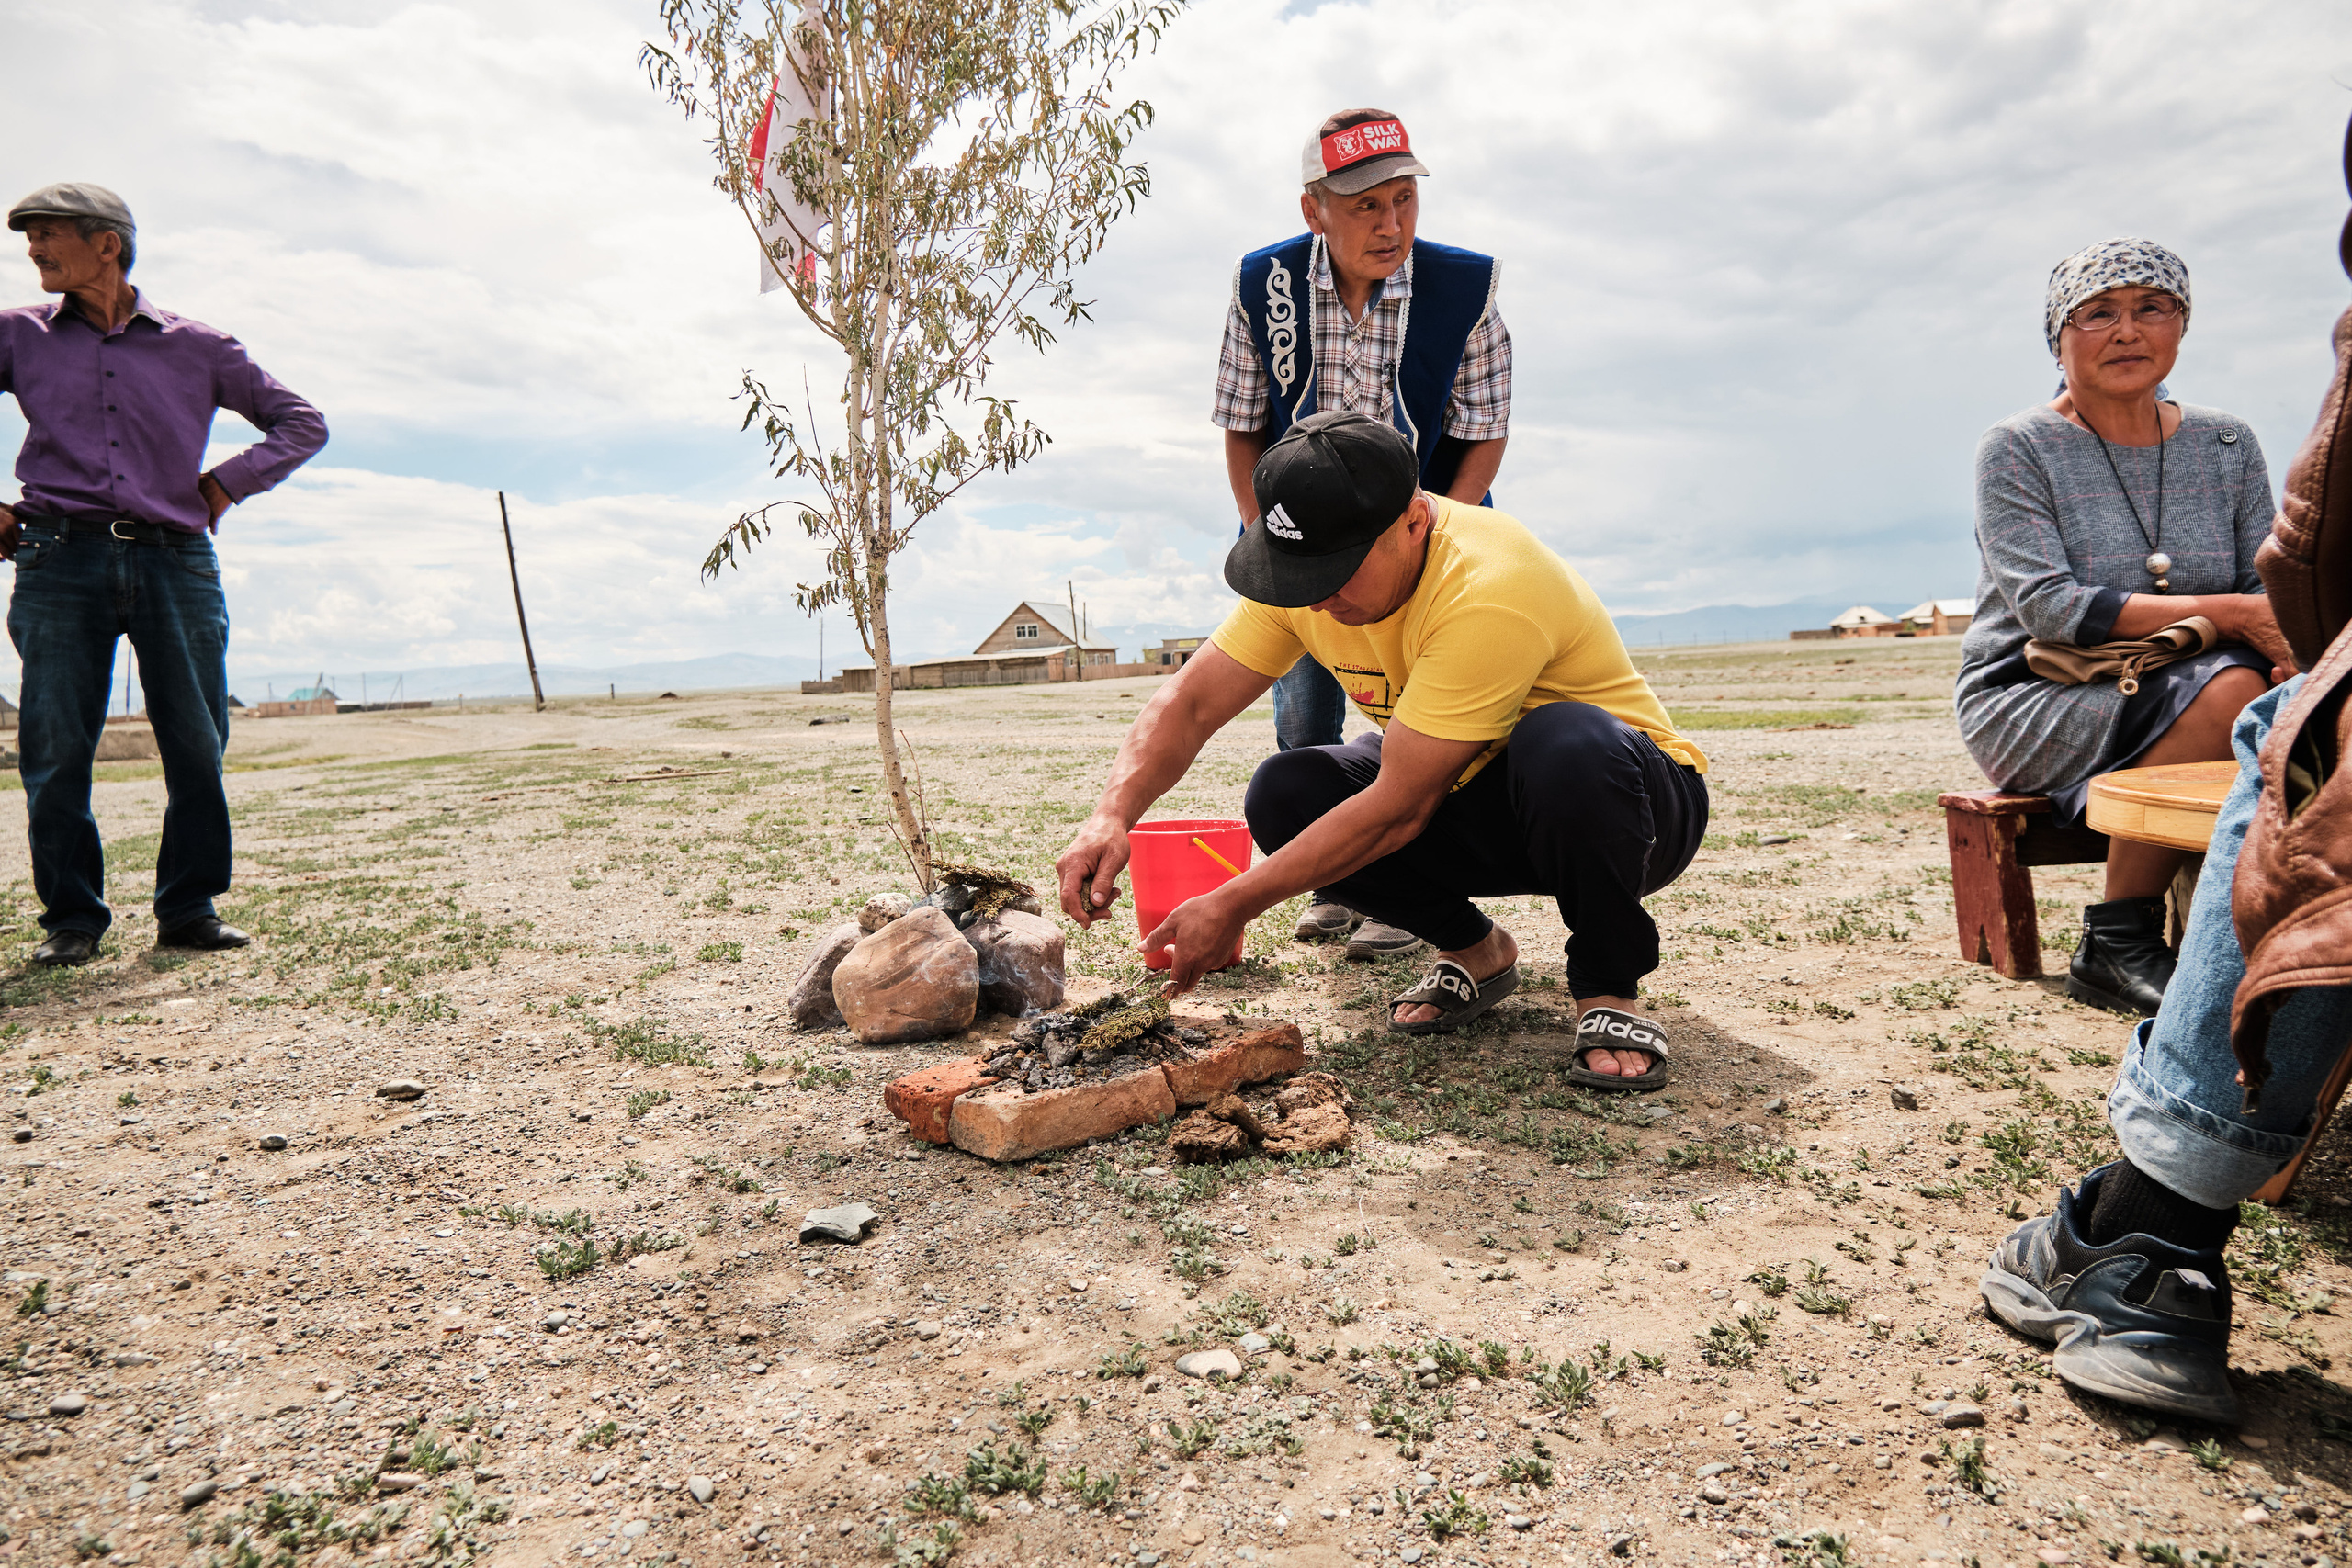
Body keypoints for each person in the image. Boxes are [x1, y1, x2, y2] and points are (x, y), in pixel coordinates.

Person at [1055, 412, 1705, 1088]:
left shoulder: (1490, 583)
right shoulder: (1305, 580)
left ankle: (1607, 988)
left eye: (1337, 570)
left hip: (1631, 805)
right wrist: (1111, 814)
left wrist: (1232, 902)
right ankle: (1478, 952)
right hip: (1473, 795)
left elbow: (1399, 808)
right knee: (1287, 791)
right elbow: (1189, 703)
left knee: (1563, 741)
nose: (1318, 596)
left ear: (1415, 522)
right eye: (1301, 573)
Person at [1955, 238, 2291, 1017]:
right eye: (2097, 313)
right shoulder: (2019, 447)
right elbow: (2050, 608)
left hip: (2198, 675)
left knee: (2292, 695)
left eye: (2152, 309)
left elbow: (2263, 584)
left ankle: (2257, 930)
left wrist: (2276, 636)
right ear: (2058, 337)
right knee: (2234, 686)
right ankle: (2117, 935)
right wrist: (2240, 620)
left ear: (2181, 326)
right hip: (2034, 693)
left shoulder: (2228, 443)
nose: (2127, 331)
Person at [1212, 107, 1511, 964]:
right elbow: (1240, 423)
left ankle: (1408, 891)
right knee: (1304, 715)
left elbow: (1484, 428)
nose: (1391, 226)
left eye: (1403, 201)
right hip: (1307, 530)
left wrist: (1435, 532)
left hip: (1433, 527)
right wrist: (1262, 531)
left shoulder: (1465, 289)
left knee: (1427, 718)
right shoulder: (1262, 285)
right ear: (1315, 210)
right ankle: (1335, 880)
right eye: (1365, 207)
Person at [1, 183, 326, 966]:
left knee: (194, 738)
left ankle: (189, 907)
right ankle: (72, 919)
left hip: (175, 558)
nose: (35, 250)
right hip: (55, 557)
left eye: (50, 235)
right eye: (30, 238)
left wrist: (224, 484)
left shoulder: (201, 346)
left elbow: (301, 422)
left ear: (107, 243)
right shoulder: (16, 335)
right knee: (54, 744)